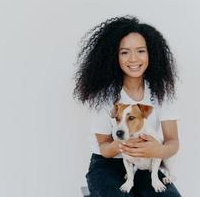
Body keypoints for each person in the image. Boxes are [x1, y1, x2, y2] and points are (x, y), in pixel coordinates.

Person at [73, 15, 181, 197]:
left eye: (140, 51)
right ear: (114, 56)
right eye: (124, 52)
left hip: (146, 162)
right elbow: (105, 149)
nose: (133, 58)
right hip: (106, 165)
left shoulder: (162, 92)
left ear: (151, 53)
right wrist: (125, 144)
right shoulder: (104, 96)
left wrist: (159, 150)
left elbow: (173, 141)